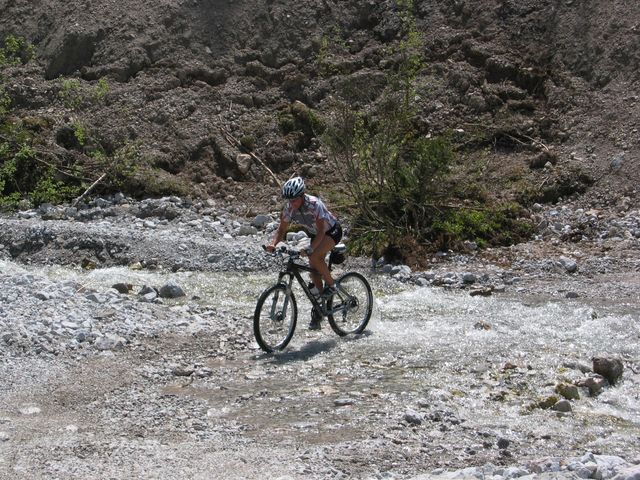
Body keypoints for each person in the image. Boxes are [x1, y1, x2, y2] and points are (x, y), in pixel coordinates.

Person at [266, 176, 343, 330]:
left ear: (302, 195)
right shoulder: (289, 207)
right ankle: (320, 306)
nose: (292, 203)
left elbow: (321, 231)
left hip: (331, 231)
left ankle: (332, 286)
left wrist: (310, 249)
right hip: (315, 234)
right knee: (313, 271)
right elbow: (282, 229)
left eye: (295, 200)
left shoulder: (314, 204)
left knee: (314, 256)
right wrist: (273, 244)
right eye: (289, 200)